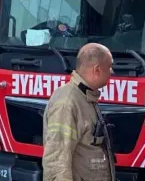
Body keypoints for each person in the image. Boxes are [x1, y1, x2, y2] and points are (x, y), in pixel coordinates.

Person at [42, 43, 116, 181]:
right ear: (97, 70)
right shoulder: (67, 103)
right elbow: (57, 161)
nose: (111, 71)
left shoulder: (84, 97)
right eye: (109, 67)